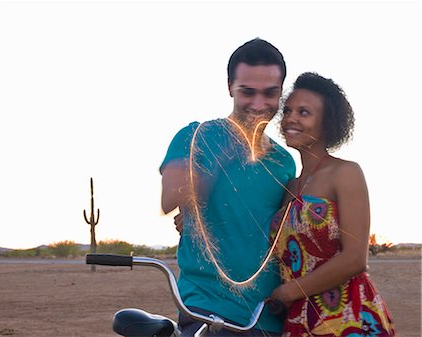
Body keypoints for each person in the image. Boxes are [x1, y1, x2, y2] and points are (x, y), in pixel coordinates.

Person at [160, 38, 296, 336]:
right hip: (207, 310)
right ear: (230, 87)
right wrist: (222, 157)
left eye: (270, 93)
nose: (259, 104)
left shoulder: (285, 162)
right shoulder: (193, 137)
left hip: (267, 315)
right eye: (248, 92)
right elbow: (169, 198)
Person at [268, 72, 396, 336]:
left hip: (349, 317)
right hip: (299, 321)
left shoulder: (345, 173)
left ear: (327, 123)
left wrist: (289, 291)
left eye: (304, 112)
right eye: (288, 110)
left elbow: (355, 259)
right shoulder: (289, 187)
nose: (291, 118)